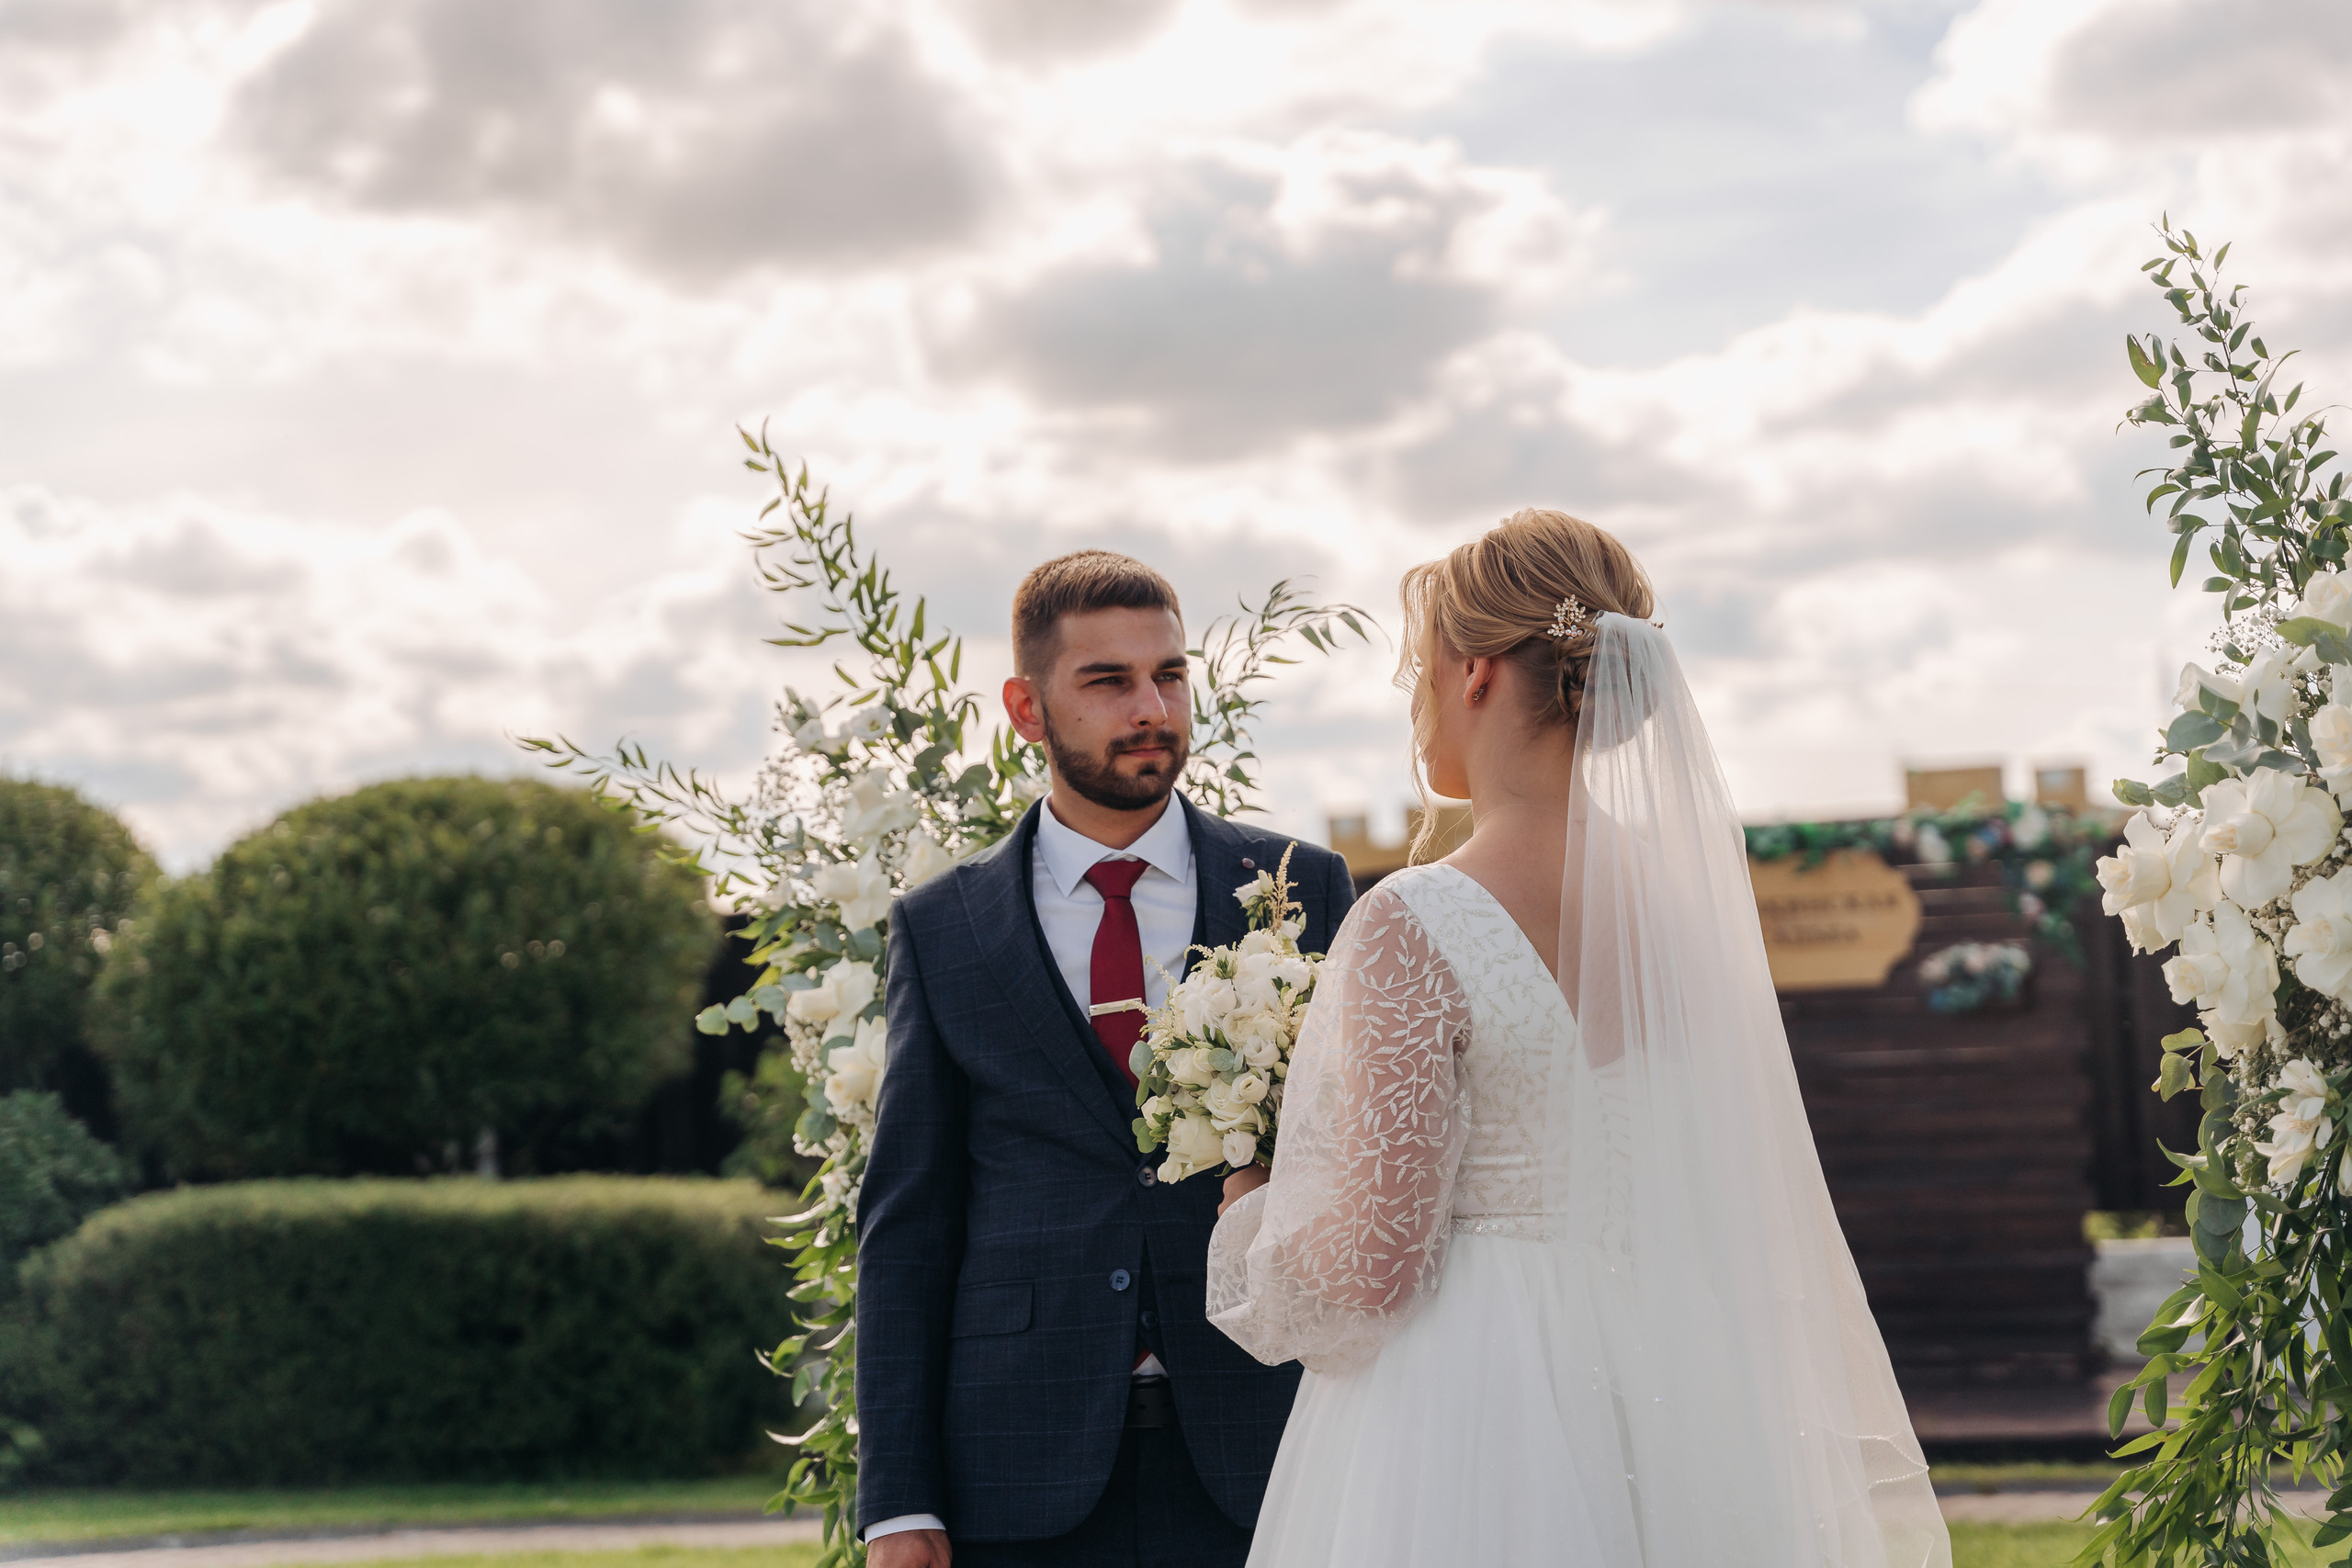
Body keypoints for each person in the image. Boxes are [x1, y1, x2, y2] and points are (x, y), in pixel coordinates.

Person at [1206, 510, 1953, 1567]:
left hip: (1471, 1404)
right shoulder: (1682, 912)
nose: (1414, 699)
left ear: (1471, 674)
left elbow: (1370, 1269)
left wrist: (1252, 1218)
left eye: (1416, 666)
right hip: (1682, 1376)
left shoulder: (1412, 921)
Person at [857, 550, 1358, 1568]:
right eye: (1108, 681)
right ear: (1026, 708)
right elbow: (907, 1223)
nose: (1152, 707)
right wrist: (898, 1503)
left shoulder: (1304, 888)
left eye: (1169, 675)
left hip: (1267, 1445)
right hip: (1018, 1463)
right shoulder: (943, 927)